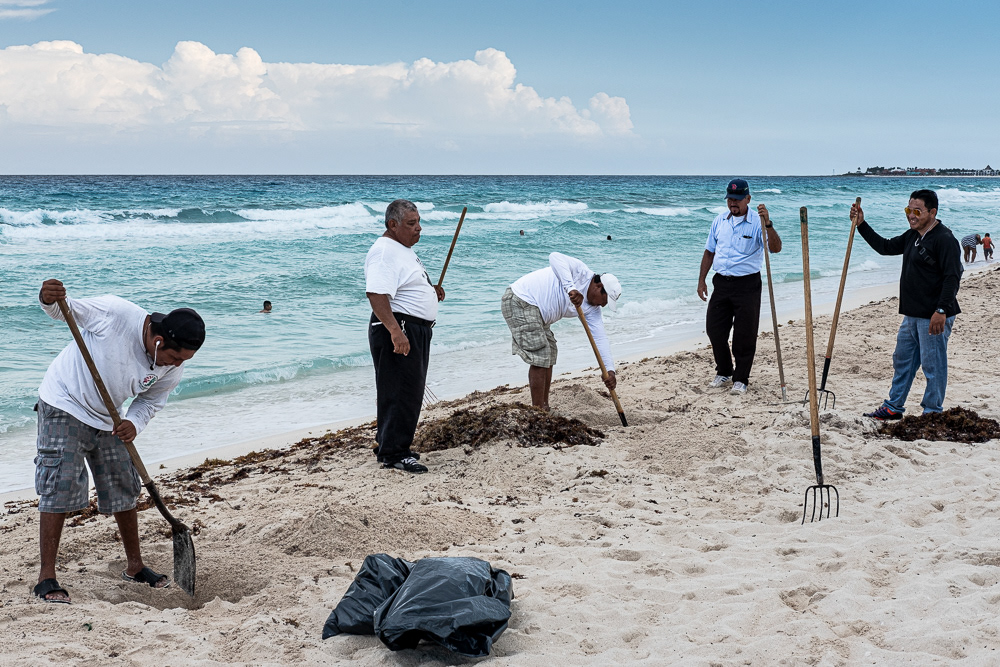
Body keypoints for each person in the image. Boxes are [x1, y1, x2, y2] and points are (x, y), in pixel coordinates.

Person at [32, 279, 205, 603]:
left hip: (109, 417)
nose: (177, 365)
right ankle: (46, 578)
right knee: (60, 482)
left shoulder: (172, 367)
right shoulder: (115, 313)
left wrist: (133, 422)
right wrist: (47, 297)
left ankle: (135, 566)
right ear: (157, 339)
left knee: (124, 484)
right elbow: (62, 310)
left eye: (184, 360)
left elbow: (151, 401)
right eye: (174, 357)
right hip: (64, 402)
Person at [853, 189, 963, 419]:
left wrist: (941, 310)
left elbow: (952, 277)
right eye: (908, 210)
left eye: (917, 211)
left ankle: (932, 411)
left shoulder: (945, 239)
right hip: (912, 313)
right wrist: (862, 225)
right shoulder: (913, 235)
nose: (911, 216)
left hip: (934, 314)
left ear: (932, 212)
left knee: (933, 366)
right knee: (902, 360)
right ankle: (894, 406)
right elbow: (884, 247)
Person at [365, 200, 444, 474]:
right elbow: (377, 294)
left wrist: (430, 290)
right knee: (401, 392)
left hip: (413, 327)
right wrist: (396, 332)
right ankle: (394, 453)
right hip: (399, 327)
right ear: (393, 225)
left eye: (419, 222)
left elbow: (403, 285)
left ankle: (390, 444)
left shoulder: (402, 249)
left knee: (406, 390)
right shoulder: (384, 251)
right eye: (411, 224)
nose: (418, 229)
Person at [501, 252, 621, 411]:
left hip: (539, 315)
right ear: (599, 287)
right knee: (541, 355)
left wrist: (610, 371)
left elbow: (600, 339)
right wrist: (571, 288)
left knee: (550, 352)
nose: (603, 306)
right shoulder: (580, 272)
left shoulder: (593, 310)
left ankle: (544, 407)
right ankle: (538, 411)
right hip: (520, 300)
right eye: (605, 301)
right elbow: (554, 257)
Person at [696, 179, 782, 395]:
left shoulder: (757, 222)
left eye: (737, 200)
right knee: (714, 330)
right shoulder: (719, 221)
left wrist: (769, 224)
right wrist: (701, 280)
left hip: (747, 285)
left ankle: (741, 378)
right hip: (721, 283)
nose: (733, 204)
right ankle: (724, 370)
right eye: (730, 200)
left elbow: (776, 248)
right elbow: (709, 252)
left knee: (744, 334)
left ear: (748, 199)